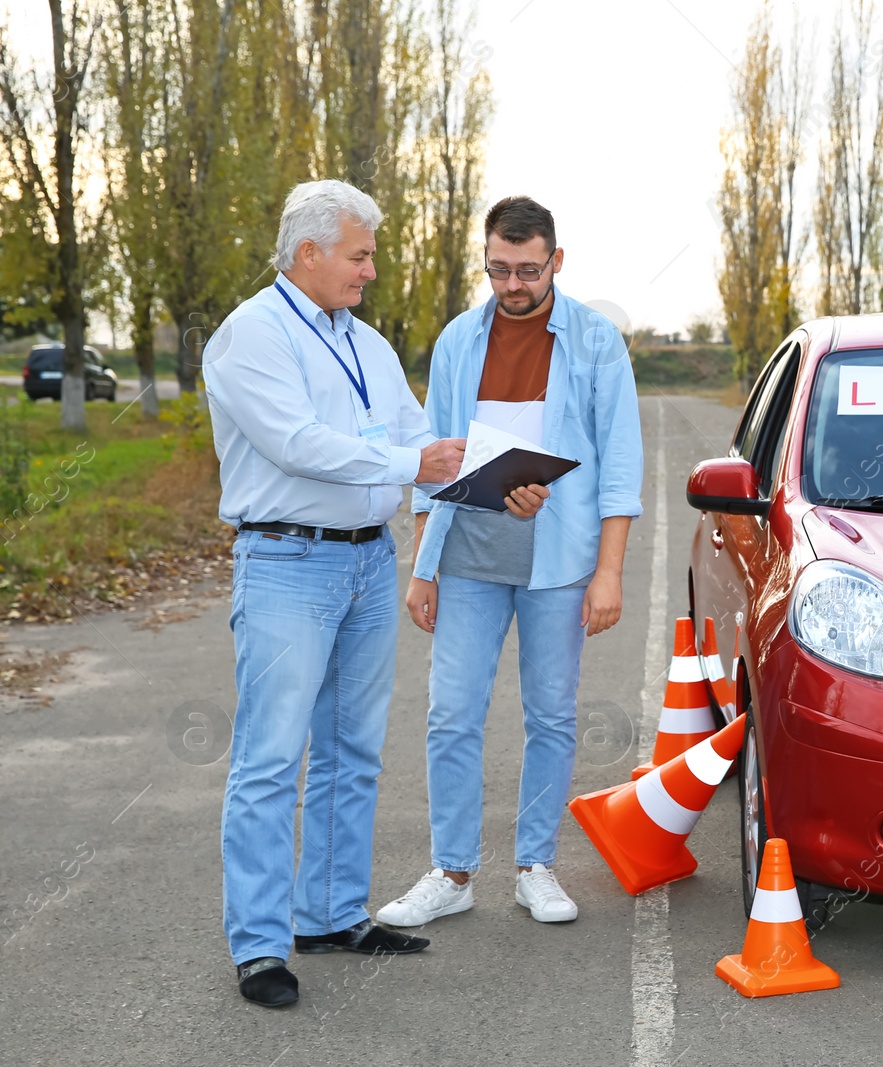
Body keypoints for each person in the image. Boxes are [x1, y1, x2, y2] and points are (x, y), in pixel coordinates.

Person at [208, 180, 496, 1008]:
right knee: (269, 759)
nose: (370, 270)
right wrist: (416, 465)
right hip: (288, 564)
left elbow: (413, 433)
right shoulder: (249, 336)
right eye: (359, 254)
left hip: (369, 561)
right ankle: (261, 945)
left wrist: (494, 474)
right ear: (309, 253)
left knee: (351, 749)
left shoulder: (365, 342)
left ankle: (331, 912)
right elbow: (298, 444)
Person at [377, 196, 643, 928]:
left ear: (557, 261)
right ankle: (453, 871)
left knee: (551, 714)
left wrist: (610, 571)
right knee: (451, 712)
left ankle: (536, 865)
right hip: (467, 552)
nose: (513, 284)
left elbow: (620, 464)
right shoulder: (459, 340)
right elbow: (437, 458)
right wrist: (423, 565)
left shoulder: (596, 342)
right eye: (499, 269)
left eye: (527, 270)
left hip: (559, 561)